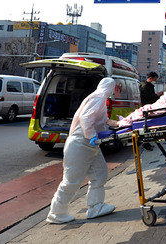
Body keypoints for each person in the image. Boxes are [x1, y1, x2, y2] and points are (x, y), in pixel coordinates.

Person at [46, 78, 117, 224]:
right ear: (109, 87)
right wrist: (91, 136)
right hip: (80, 143)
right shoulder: (98, 97)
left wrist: (120, 122)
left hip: (90, 145)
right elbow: (86, 118)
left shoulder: (100, 99)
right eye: (113, 87)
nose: (113, 91)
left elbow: (103, 121)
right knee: (71, 180)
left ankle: (95, 207)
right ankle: (56, 213)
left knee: (100, 174)